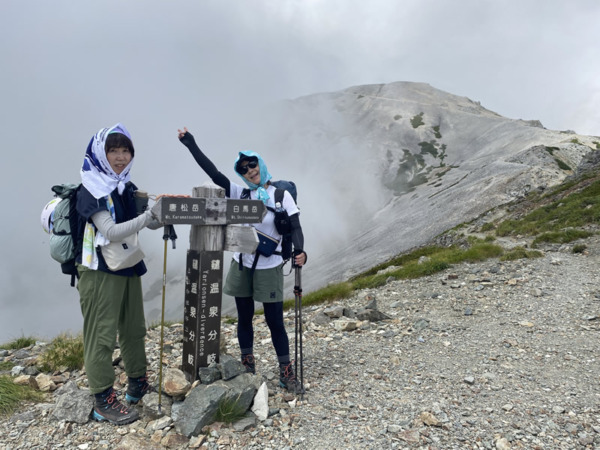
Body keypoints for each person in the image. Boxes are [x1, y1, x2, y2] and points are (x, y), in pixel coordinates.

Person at [177, 127, 307, 392]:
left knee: (275, 322)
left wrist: (300, 251)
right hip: (242, 263)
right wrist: (191, 144)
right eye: (244, 168)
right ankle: (248, 366)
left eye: (252, 164)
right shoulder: (241, 193)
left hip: (269, 266)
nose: (250, 170)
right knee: (244, 318)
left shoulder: (281, 196)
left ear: (261, 164)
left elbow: (295, 227)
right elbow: (214, 174)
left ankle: (286, 371)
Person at [76, 123, 161, 425]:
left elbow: (143, 222)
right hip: (99, 269)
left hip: (126, 264)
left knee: (134, 327)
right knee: (101, 335)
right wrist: (149, 217)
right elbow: (110, 230)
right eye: (114, 150)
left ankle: (137, 385)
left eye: (126, 150)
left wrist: (163, 215)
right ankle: (102, 400)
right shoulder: (91, 188)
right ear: (101, 152)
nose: (121, 157)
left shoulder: (123, 185)